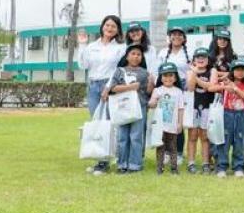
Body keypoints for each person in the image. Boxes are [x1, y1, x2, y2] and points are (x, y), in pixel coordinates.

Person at [77, 15, 125, 176]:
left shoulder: (120, 47)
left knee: (109, 124)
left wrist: (109, 87)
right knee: (96, 123)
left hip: (109, 86)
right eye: (107, 25)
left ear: (118, 29)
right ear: (102, 26)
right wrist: (82, 45)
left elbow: (119, 70)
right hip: (93, 85)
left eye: (113, 26)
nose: (109, 28)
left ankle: (106, 161)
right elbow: (83, 64)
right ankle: (100, 158)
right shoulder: (92, 46)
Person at [108, 43, 154, 174]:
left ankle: (135, 164)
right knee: (122, 137)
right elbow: (113, 88)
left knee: (136, 137)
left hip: (140, 108)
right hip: (122, 108)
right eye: (133, 54)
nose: (136, 56)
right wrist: (130, 87)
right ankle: (122, 163)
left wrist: (151, 83)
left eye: (139, 54)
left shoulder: (145, 73)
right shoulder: (119, 71)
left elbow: (148, 92)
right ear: (127, 56)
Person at [157, 25, 191, 167]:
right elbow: (158, 70)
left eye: (179, 34)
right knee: (165, 119)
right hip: (165, 86)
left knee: (179, 121)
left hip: (182, 87)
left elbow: (192, 71)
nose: (176, 37)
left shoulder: (188, 53)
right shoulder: (164, 52)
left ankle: (178, 153)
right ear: (169, 37)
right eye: (173, 34)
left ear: (184, 38)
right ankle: (165, 153)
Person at [216, 59, 244, 178]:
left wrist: (235, 88)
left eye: (243, 70)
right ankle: (221, 167)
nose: (240, 72)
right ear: (232, 71)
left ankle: (238, 167)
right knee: (225, 141)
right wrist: (224, 84)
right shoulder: (225, 83)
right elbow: (211, 88)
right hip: (226, 114)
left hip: (240, 114)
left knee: (239, 141)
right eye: (237, 69)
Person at [185, 47, 219, 174]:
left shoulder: (212, 70)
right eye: (198, 57)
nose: (200, 59)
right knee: (192, 136)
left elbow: (211, 86)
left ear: (208, 59)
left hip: (207, 106)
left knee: (205, 137)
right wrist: (193, 73)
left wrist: (197, 77)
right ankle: (191, 163)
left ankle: (206, 163)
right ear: (193, 60)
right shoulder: (190, 72)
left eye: (203, 57)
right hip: (193, 107)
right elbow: (190, 87)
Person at [148, 62, 184, 175]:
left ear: (175, 77)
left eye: (170, 75)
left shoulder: (178, 92)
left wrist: (180, 123)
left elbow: (180, 109)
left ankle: (174, 168)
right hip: (160, 125)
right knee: (160, 147)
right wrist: (154, 100)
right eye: (165, 75)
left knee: (173, 147)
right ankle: (160, 167)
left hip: (172, 125)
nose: (168, 78)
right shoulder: (157, 90)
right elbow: (151, 104)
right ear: (161, 77)